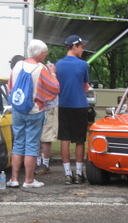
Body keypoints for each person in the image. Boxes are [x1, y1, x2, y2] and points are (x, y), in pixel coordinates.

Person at [6, 40, 59, 188]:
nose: (45, 54)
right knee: (31, 145)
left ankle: (14, 179)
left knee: (18, 143)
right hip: (34, 110)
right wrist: (53, 74)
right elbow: (53, 89)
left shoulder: (17, 65)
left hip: (18, 109)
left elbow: (10, 86)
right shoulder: (41, 69)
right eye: (44, 52)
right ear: (38, 53)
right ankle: (28, 180)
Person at [55, 34, 91, 185]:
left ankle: (67, 174)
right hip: (79, 105)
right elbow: (86, 86)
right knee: (79, 140)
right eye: (81, 47)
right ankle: (78, 173)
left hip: (63, 105)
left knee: (65, 138)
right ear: (74, 47)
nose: (83, 50)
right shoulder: (83, 65)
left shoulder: (58, 65)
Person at [35, 78, 58, 175]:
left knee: (42, 137)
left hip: (40, 107)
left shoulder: (39, 70)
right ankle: (42, 163)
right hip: (47, 107)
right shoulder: (48, 72)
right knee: (43, 137)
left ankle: (41, 163)